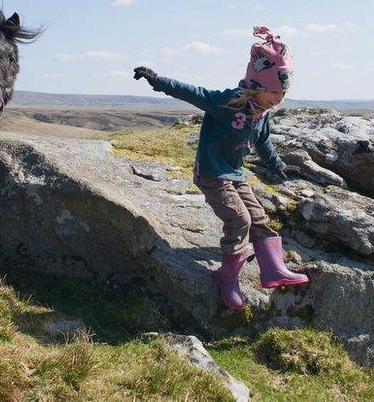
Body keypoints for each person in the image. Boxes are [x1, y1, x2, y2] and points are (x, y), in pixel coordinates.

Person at [132, 26, 308, 310]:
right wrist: (157, 80)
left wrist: (279, 167)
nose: (278, 99)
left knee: (258, 218)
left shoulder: (261, 115)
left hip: (236, 175)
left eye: (283, 94)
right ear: (257, 86)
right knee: (240, 220)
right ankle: (227, 277)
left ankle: (273, 271)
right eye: (274, 92)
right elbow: (194, 93)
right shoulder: (227, 103)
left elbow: (264, 145)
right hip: (212, 174)